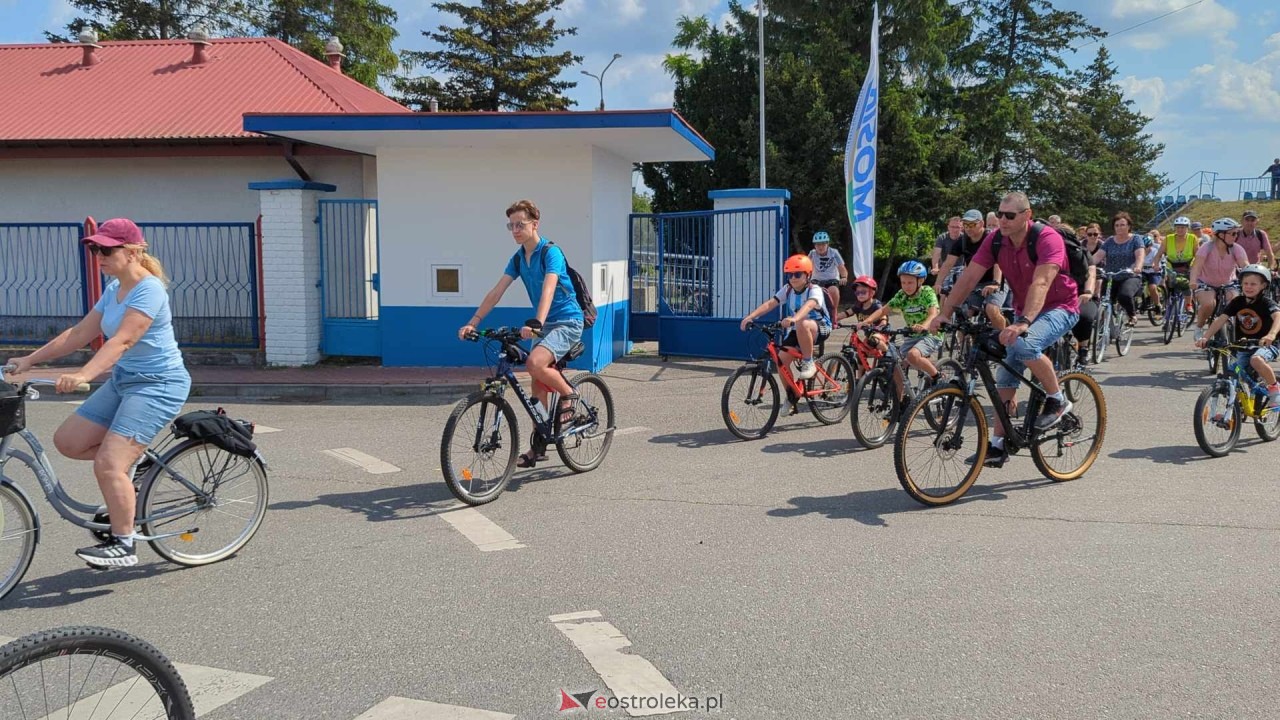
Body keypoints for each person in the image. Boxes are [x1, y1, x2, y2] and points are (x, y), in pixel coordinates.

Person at [5, 218, 190, 568]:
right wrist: (29, 361)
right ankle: (134, 462)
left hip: (158, 385)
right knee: (68, 442)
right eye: (94, 249)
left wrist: (83, 374)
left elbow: (123, 340)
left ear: (134, 251)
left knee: (108, 464)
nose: (98, 256)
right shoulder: (114, 287)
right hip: (125, 380)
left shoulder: (149, 289)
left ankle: (124, 543)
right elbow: (78, 334)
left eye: (106, 249)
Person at [929, 191, 1080, 467]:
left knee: (1023, 344)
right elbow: (969, 276)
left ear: (1027, 215)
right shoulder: (996, 238)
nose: (1002, 220)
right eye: (999, 214)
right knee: (1005, 372)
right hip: (1026, 311)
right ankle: (998, 444)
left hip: (1060, 307)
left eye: (1009, 215)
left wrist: (1023, 323)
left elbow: (1042, 282)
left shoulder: (1047, 238)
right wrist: (945, 313)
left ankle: (1057, 400)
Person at [458, 199, 585, 469]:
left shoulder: (551, 252)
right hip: (544, 324)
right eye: (511, 225)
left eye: (520, 224)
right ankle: (538, 447)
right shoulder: (518, 258)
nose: (515, 230)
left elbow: (549, 289)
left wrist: (537, 321)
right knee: (538, 385)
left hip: (567, 320)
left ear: (534, 224)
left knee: (534, 363)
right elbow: (497, 291)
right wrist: (474, 321)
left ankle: (569, 394)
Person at [1194, 264, 1280, 409]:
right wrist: (1206, 337)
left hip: (1267, 344)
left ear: (1263, 286)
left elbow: (1278, 317)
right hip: (1243, 345)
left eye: (1253, 284)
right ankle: (1232, 408)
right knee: (1232, 372)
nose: (1248, 287)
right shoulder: (1238, 302)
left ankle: (1274, 388)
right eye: (1245, 283)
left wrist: (1271, 335)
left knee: (1256, 360)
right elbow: (1221, 319)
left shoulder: (1266, 303)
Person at [853, 261, 942, 398]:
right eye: (903, 282)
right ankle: (899, 404)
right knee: (896, 367)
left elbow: (933, 313)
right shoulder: (901, 295)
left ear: (921, 281)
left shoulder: (927, 292)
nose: (906, 286)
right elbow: (883, 310)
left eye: (910, 283)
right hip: (911, 336)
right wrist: (867, 321)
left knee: (913, 356)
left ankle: (937, 378)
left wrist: (924, 325)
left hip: (930, 334)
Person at [739, 254, 831, 381]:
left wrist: (794, 319)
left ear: (808, 275)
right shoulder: (788, 289)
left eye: (797, 274)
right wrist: (750, 317)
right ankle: (791, 396)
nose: (793, 278)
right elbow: (771, 303)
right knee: (781, 360)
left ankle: (808, 361)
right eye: (790, 275)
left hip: (820, 327)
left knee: (802, 323)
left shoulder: (814, 289)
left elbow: (810, 305)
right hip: (798, 329)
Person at [935, 208, 1007, 330]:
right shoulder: (962, 241)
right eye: (965, 224)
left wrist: (995, 283)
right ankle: (967, 347)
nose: (968, 228)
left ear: (981, 224)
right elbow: (948, 264)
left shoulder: (991, 238)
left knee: (991, 309)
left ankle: (1006, 343)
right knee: (963, 315)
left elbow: (998, 262)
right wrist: (938, 283)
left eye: (972, 224)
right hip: (975, 282)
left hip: (997, 280)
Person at [1189, 217, 1249, 341]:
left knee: (1236, 304)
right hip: (1206, 283)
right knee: (1208, 304)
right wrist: (1193, 281)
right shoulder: (1207, 247)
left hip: (1229, 283)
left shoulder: (1237, 248)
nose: (1236, 236)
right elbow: (1196, 267)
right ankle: (1199, 327)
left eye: (1237, 233)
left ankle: (1237, 332)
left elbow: (1245, 266)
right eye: (1233, 233)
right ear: (1221, 234)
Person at [1092, 211, 1145, 325]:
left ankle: (1132, 315)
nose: (1119, 228)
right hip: (1111, 276)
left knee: (1124, 295)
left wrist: (1138, 267)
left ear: (1129, 226)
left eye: (1122, 225)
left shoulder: (1135, 239)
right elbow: (1098, 256)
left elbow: (1140, 256)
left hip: (1129, 276)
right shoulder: (1110, 241)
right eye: (1116, 225)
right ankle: (1105, 322)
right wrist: (1087, 264)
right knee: (1105, 299)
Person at [1070, 251, 1100, 366]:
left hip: (1082, 295)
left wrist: (1088, 292)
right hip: (1057, 296)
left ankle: (1083, 349)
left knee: (1085, 316)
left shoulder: (1081, 253)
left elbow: (1091, 274)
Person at [808, 231, 847, 316]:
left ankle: (834, 312)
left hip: (831, 278)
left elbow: (841, 267)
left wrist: (844, 277)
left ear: (827, 244)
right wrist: (806, 279)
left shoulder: (833, 252)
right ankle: (814, 313)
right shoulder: (812, 253)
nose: (820, 247)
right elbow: (807, 267)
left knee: (833, 290)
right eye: (818, 244)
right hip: (816, 279)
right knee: (811, 291)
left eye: (823, 244)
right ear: (815, 245)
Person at [1140, 230, 1164, 314]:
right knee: (1136, 284)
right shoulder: (1139, 252)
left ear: (1151, 245)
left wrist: (1154, 265)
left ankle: (1158, 305)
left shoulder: (1155, 251)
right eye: (1144, 247)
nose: (1146, 249)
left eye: (1147, 246)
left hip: (1154, 272)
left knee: (1152, 287)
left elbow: (1155, 260)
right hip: (1143, 271)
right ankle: (1143, 301)